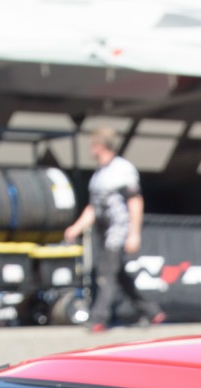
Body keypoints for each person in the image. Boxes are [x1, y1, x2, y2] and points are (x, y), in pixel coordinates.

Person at [63, 127, 160, 333]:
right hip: (102, 232)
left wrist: (134, 233)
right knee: (118, 274)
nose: (90, 150)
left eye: (92, 145)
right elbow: (94, 207)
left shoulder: (122, 169)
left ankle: (98, 318)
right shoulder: (99, 174)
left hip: (118, 231)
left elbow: (135, 201)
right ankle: (151, 311)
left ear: (99, 146)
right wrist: (76, 228)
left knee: (105, 273)